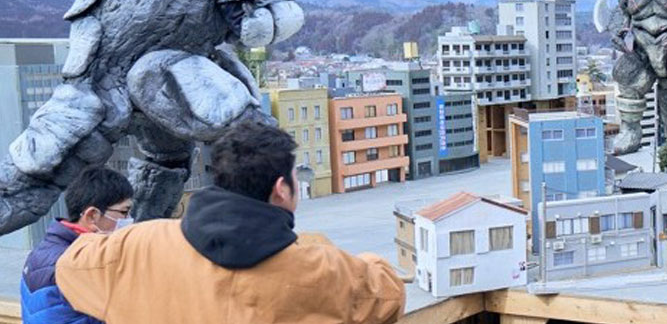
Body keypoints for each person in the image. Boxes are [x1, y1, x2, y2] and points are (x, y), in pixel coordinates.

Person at [56, 122, 405, 324]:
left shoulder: (137, 245)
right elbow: (388, 295)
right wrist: (353, 256)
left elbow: (70, 267)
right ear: (281, 189)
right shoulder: (321, 269)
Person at [21, 166, 133, 324]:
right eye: (124, 212)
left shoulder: (44, 249)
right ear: (92, 215)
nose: (129, 219)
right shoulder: (79, 263)